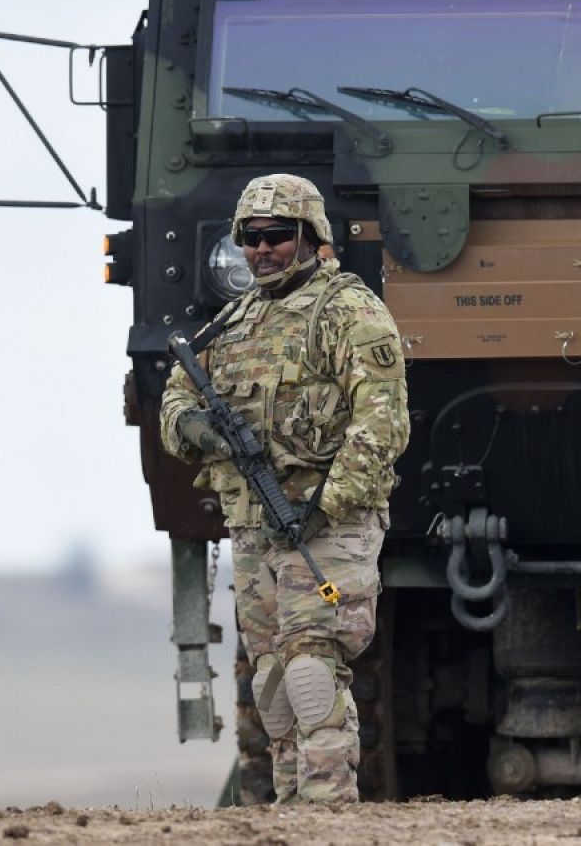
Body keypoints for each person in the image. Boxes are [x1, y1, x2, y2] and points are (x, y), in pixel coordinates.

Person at [161, 174, 410, 804]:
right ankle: (292, 809)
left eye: (277, 235)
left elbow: (382, 421)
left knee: (310, 670)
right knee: (271, 683)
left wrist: (321, 505)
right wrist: (199, 430)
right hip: (253, 527)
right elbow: (176, 399)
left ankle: (327, 810)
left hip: (325, 527)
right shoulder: (235, 319)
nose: (261, 249)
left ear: (312, 237)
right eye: (250, 236)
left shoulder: (347, 310)